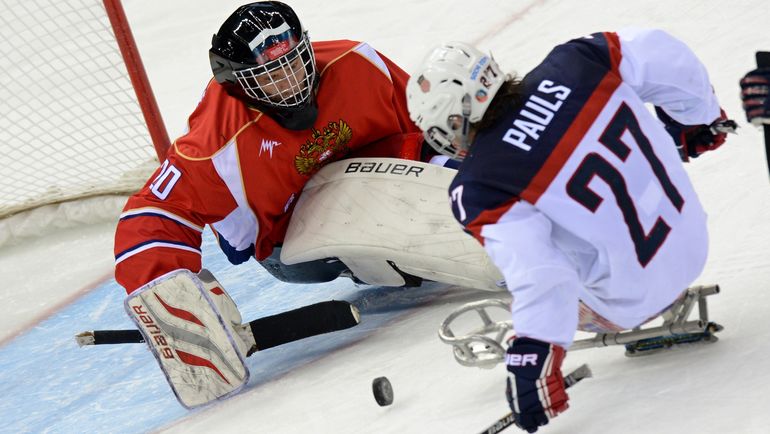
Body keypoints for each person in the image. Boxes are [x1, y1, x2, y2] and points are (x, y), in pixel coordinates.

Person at [406, 29, 735, 432]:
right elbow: (666, 55)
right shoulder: (579, 59)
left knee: (516, 262)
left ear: (454, 118)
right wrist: (696, 117)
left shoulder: (479, 185)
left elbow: (543, 276)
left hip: (629, 300)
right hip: (693, 240)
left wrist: (534, 356)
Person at [114, 1, 424, 295]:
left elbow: (428, 123)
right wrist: (165, 291)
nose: (293, 82)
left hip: (367, 180)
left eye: (296, 62)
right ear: (238, 84)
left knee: (426, 152)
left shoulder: (356, 62)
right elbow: (156, 211)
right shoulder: (217, 141)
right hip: (286, 239)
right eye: (272, 75)